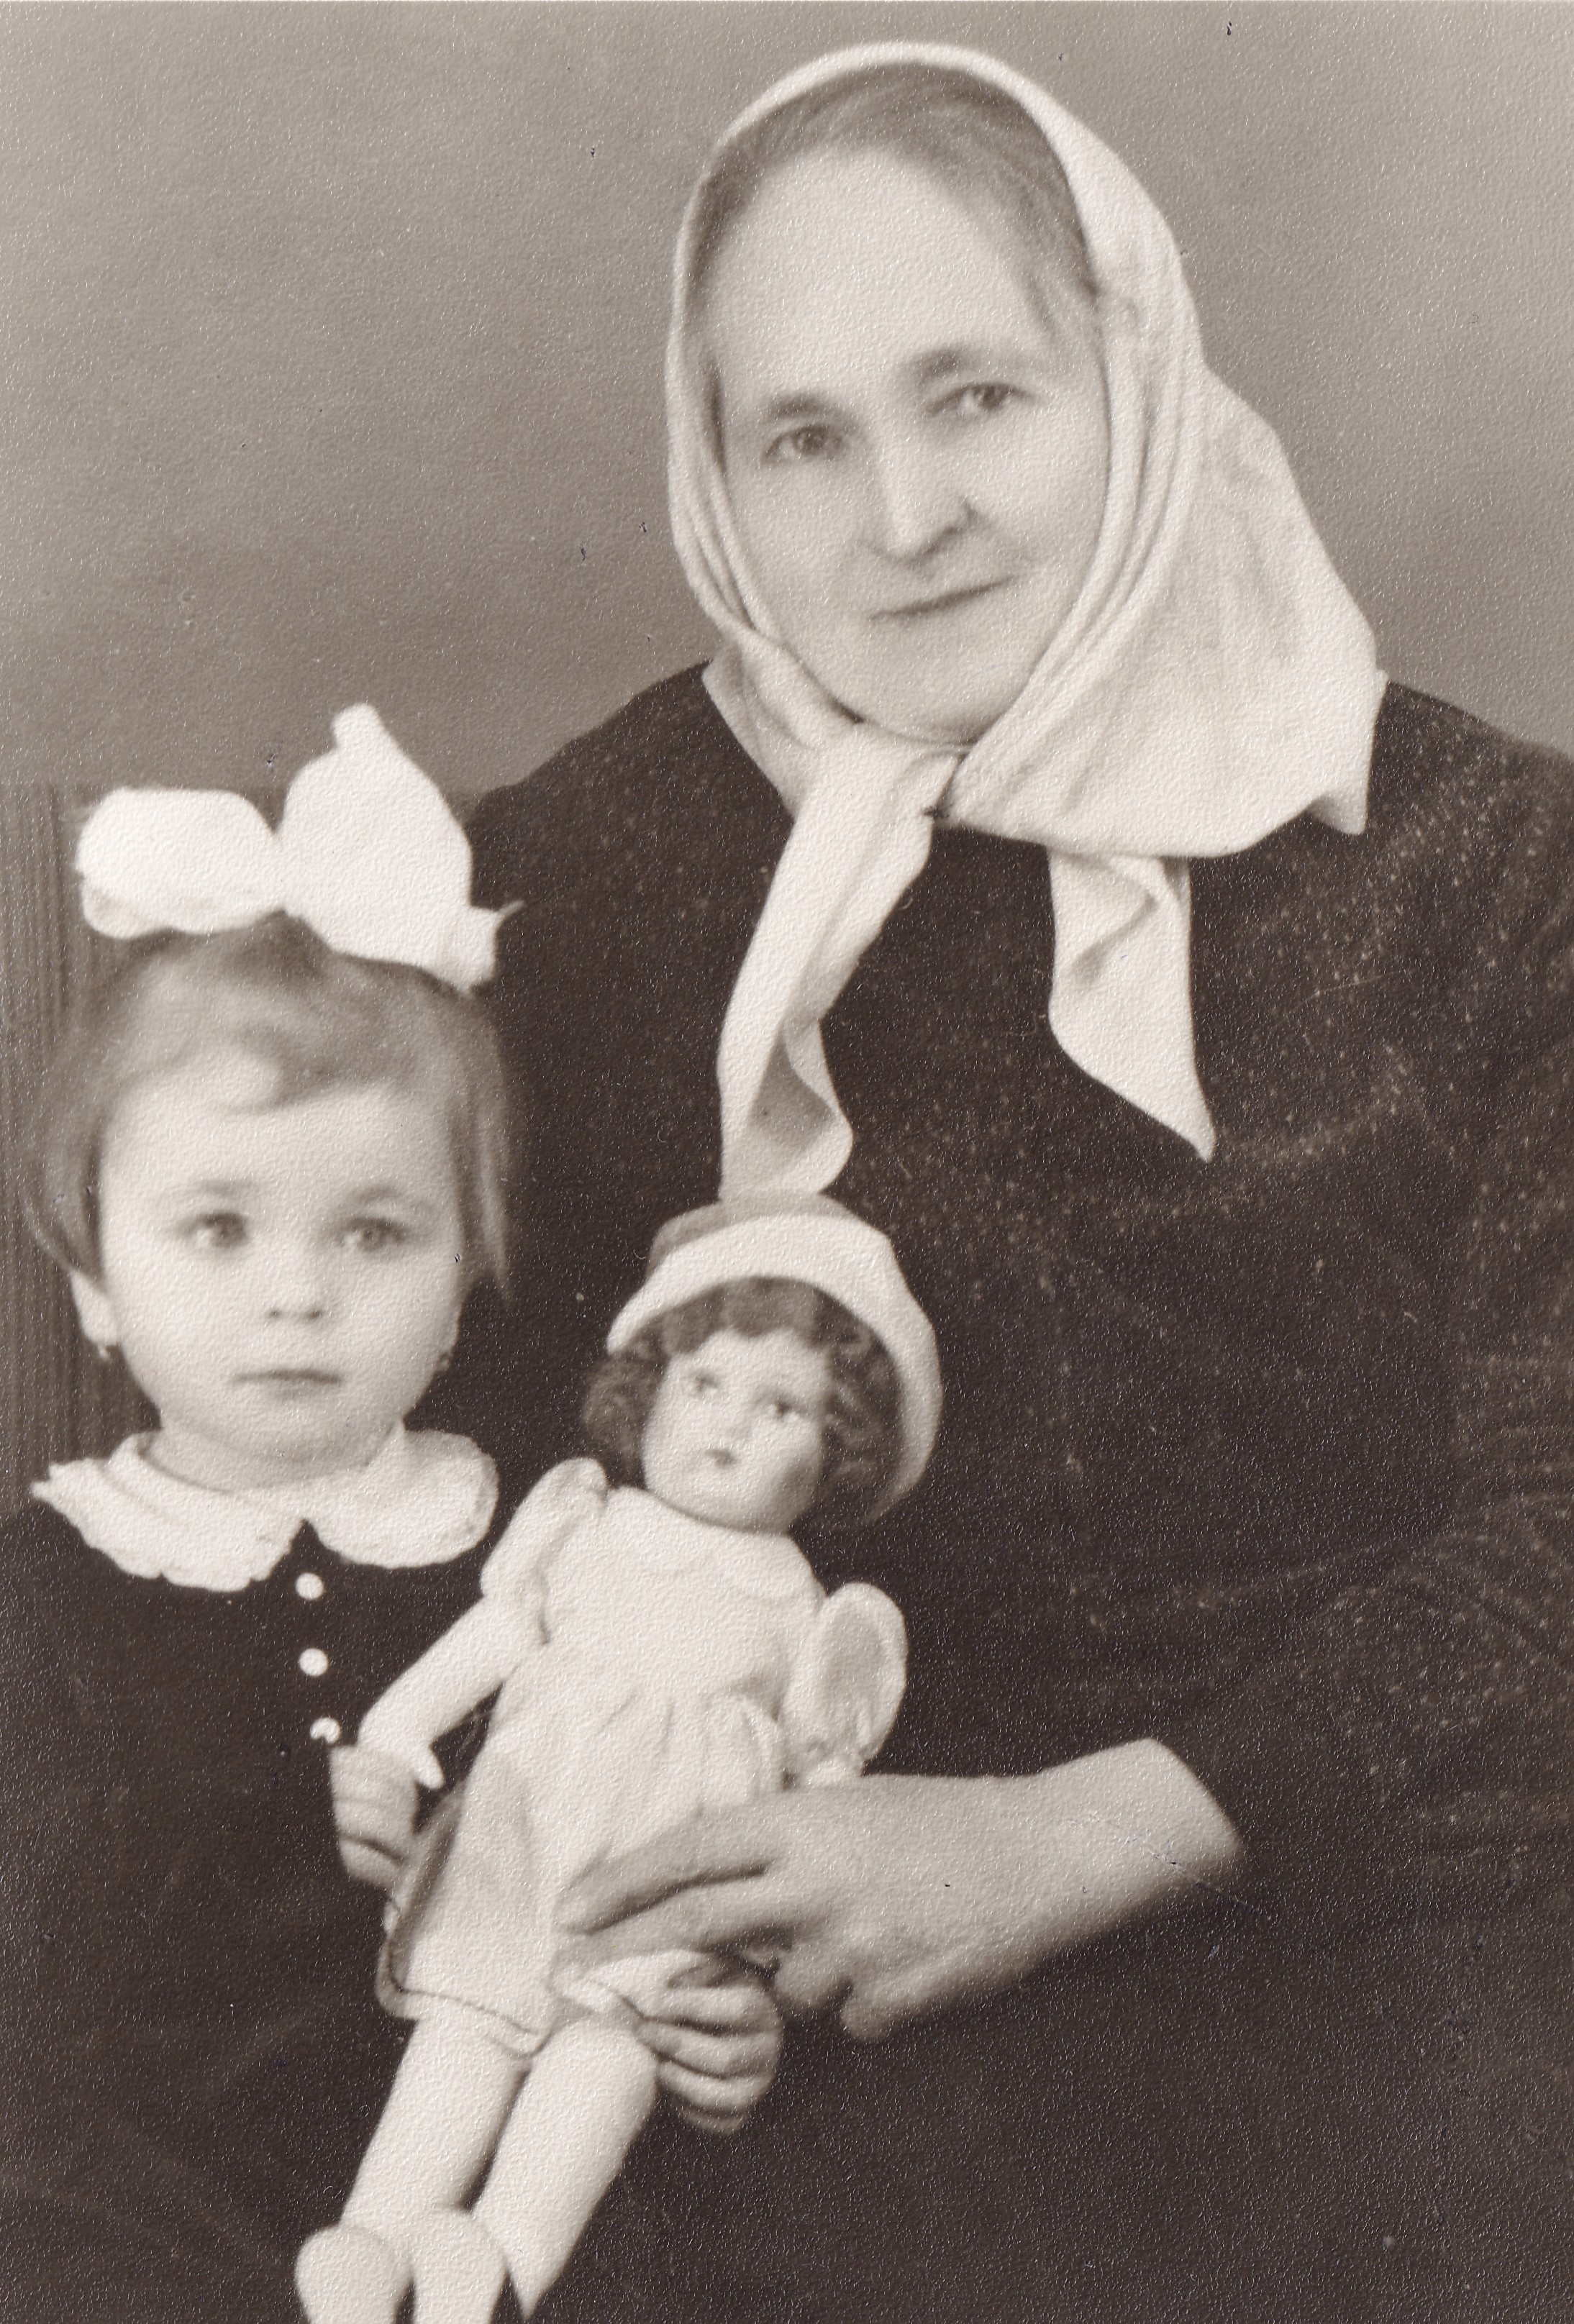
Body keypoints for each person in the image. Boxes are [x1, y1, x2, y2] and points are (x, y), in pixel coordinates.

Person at [443, 42, 1574, 2324]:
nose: (903, 520)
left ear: (1133, 380)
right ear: (714, 475)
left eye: (975, 397)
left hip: (1389, 1932)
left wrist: (1065, 1841)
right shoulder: (584, 874)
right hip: (770, 1997)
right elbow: (448, 1469)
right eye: (802, 438)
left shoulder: (1490, 866)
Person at [0, 708, 774, 2324]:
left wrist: (722, 2017)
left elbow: (670, 1824)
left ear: (461, 1287)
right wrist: (275, 1823)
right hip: (153, 2201)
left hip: (506, 2204)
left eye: (374, 1233)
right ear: (93, 1286)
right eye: (217, 1229)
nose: (297, 1293)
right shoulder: (50, 1577)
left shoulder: (548, 1544)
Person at [298, 1199, 936, 2324]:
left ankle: (498, 2267)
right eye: (704, 1384)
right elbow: (496, 1637)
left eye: (780, 1407)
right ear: (651, 1389)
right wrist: (397, 1733)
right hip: (517, 1851)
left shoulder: (811, 1615)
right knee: (459, 2038)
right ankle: (371, 2246)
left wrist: (779, 1967)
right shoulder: (584, 1524)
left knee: (605, 2067)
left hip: (664, 1913)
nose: (727, 1430)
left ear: (839, 1449)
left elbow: (821, 1810)